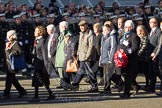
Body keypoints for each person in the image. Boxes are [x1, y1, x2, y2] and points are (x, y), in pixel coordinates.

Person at [71, 20, 98, 92]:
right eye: (80, 26)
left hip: (88, 57)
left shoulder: (90, 34)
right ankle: (75, 84)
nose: (81, 27)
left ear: (87, 25)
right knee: (81, 71)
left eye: (83, 25)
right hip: (82, 56)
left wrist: (87, 56)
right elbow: (80, 45)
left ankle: (94, 87)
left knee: (90, 72)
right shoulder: (81, 34)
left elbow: (91, 46)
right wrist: (78, 54)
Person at [31, 26, 55, 102]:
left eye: (36, 31)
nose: (34, 32)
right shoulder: (37, 39)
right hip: (37, 62)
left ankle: (36, 96)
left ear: (40, 32)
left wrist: (47, 65)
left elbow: (44, 54)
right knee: (43, 80)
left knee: (38, 79)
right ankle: (50, 94)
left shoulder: (42, 40)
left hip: (41, 63)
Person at [119, 20, 140, 98]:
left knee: (128, 77)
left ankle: (126, 94)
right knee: (126, 76)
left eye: (127, 27)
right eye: (125, 27)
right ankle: (135, 87)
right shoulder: (125, 35)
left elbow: (134, 48)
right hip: (124, 60)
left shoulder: (134, 36)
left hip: (131, 60)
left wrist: (125, 52)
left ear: (131, 27)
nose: (126, 28)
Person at [3, 30, 27, 98]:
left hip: (12, 65)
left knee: (9, 79)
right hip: (8, 64)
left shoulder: (15, 43)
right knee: (13, 79)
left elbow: (19, 51)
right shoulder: (9, 43)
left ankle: (7, 92)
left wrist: (12, 53)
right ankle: (21, 91)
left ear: (10, 36)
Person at [99, 22, 118, 94]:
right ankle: (106, 89)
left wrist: (111, 59)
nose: (104, 32)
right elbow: (102, 48)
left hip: (109, 59)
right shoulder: (103, 38)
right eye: (103, 30)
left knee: (108, 75)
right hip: (104, 58)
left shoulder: (112, 37)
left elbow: (113, 48)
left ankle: (107, 89)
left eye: (106, 30)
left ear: (109, 30)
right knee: (106, 75)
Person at [55, 21, 73, 89]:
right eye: (60, 27)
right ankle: (63, 83)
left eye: (62, 27)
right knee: (60, 71)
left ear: (65, 27)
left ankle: (67, 85)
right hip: (60, 56)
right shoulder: (60, 34)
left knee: (66, 72)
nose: (60, 28)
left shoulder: (68, 34)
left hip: (65, 56)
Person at [148, 17, 161, 93]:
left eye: (153, 22)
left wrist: (155, 52)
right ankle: (151, 88)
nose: (151, 24)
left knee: (157, 71)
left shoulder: (158, 31)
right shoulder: (151, 31)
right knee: (151, 72)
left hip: (155, 55)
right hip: (150, 54)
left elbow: (159, 44)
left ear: (156, 23)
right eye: (150, 22)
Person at [136, 25, 150, 91]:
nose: (137, 31)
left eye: (138, 30)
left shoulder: (145, 37)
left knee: (146, 72)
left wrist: (138, 54)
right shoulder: (136, 37)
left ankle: (148, 84)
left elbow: (143, 47)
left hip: (144, 58)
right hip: (139, 58)